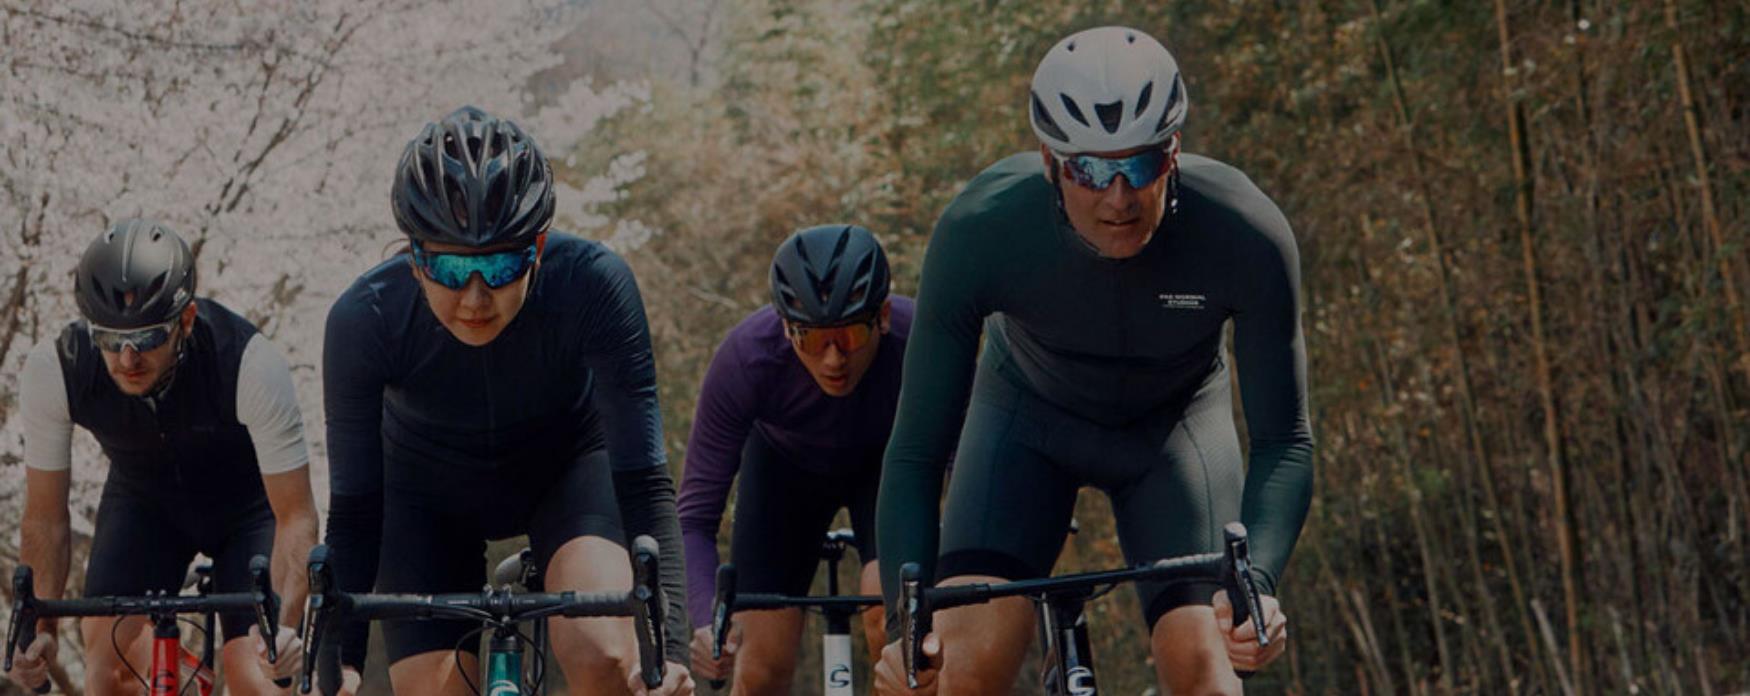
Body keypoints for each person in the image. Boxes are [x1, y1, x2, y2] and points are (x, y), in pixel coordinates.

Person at [872, 26, 1312, 695]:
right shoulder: (980, 231)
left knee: (1209, 673)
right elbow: (914, 453)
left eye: (1139, 166)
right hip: (1024, 427)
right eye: (1089, 169)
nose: (1118, 198)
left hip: (1174, 437)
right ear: (1049, 161)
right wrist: (910, 629)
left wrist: (1257, 588)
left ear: (1174, 153)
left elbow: (1285, 441)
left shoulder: (1244, 232)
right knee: (958, 671)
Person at [321, 105, 691, 695]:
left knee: (605, 656)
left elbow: (644, 481)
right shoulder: (363, 319)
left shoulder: (594, 284)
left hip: (566, 472)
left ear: (538, 248)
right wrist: (336, 661)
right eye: (447, 266)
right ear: (414, 257)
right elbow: (356, 509)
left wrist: (670, 650)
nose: (475, 297)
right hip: (423, 497)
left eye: (499, 264)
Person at [7, 220, 317, 695]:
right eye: (111, 340)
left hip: (250, 510)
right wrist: (41, 632)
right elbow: (45, 519)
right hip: (144, 504)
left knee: (254, 676)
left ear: (186, 320)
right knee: (106, 672)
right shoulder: (56, 369)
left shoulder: (250, 362)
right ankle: (186, 677)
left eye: (148, 338)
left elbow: (296, 517)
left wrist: (285, 632)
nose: (128, 358)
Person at [679, 225, 910, 692]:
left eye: (847, 335)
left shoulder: (919, 340)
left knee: (893, 624)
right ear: (786, 328)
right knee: (759, 665)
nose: (832, 360)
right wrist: (707, 618)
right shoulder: (747, 359)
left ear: (881, 316)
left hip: (889, 469)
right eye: (809, 338)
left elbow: (961, 466)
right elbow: (694, 518)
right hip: (784, 477)